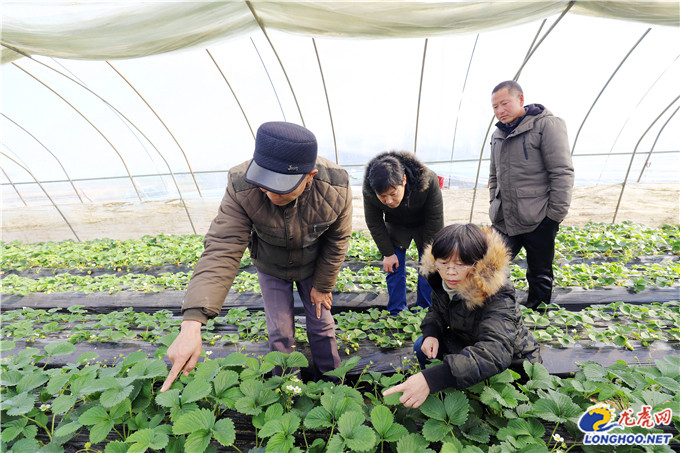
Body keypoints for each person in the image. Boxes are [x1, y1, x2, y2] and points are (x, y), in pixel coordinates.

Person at [161, 121, 352, 391]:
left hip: (314, 264)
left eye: (282, 187)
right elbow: (222, 246)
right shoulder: (242, 185)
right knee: (280, 332)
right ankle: (288, 388)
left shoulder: (336, 186)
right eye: (265, 184)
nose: (270, 193)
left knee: (322, 325)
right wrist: (192, 322)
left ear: (310, 175)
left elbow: (337, 240)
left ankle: (334, 384)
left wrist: (323, 286)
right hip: (271, 265)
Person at [383, 223, 541, 408]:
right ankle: (448, 395)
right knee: (421, 345)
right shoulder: (441, 280)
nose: (450, 272)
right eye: (444, 263)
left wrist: (434, 378)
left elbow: (495, 352)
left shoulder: (497, 292)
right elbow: (437, 311)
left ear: (478, 263)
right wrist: (431, 333)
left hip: (513, 363)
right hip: (469, 341)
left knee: (491, 405)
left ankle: (459, 395)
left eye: (460, 264)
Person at [488, 80, 574, 309]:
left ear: (521, 100)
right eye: (495, 107)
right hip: (504, 219)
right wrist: (493, 205)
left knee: (539, 273)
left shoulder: (547, 125)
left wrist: (553, 216)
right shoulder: (497, 134)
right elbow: (493, 176)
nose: (499, 111)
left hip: (539, 217)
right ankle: (497, 315)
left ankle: (537, 320)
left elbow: (562, 171)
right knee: (489, 267)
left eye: (504, 103)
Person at [362, 151, 444, 315]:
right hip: (396, 223)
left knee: (428, 267)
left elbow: (435, 218)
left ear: (404, 180)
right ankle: (397, 312)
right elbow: (374, 222)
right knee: (393, 265)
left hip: (425, 223)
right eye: (383, 196)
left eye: (393, 193)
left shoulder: (427, 180)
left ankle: (425, 310)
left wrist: (429, 254)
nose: (389, 201)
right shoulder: (370, 191)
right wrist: (388, 253)